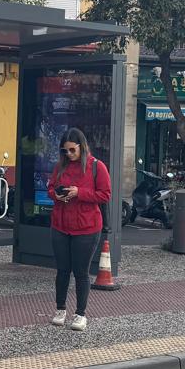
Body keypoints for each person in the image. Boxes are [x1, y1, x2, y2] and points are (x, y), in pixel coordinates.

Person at [46, 127, 112, 332]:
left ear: (82, 147)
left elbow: (105, 194)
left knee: (81, 272)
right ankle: (60, 309)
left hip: (87, 227)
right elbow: (50, 187)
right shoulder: (60, 167)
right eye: (65, 151)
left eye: (72, 150)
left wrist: (79, 193)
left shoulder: (96, 167)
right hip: (61, 224)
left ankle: (80, 314)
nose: (69, 154)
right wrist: (57, 195)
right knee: (62, 270)